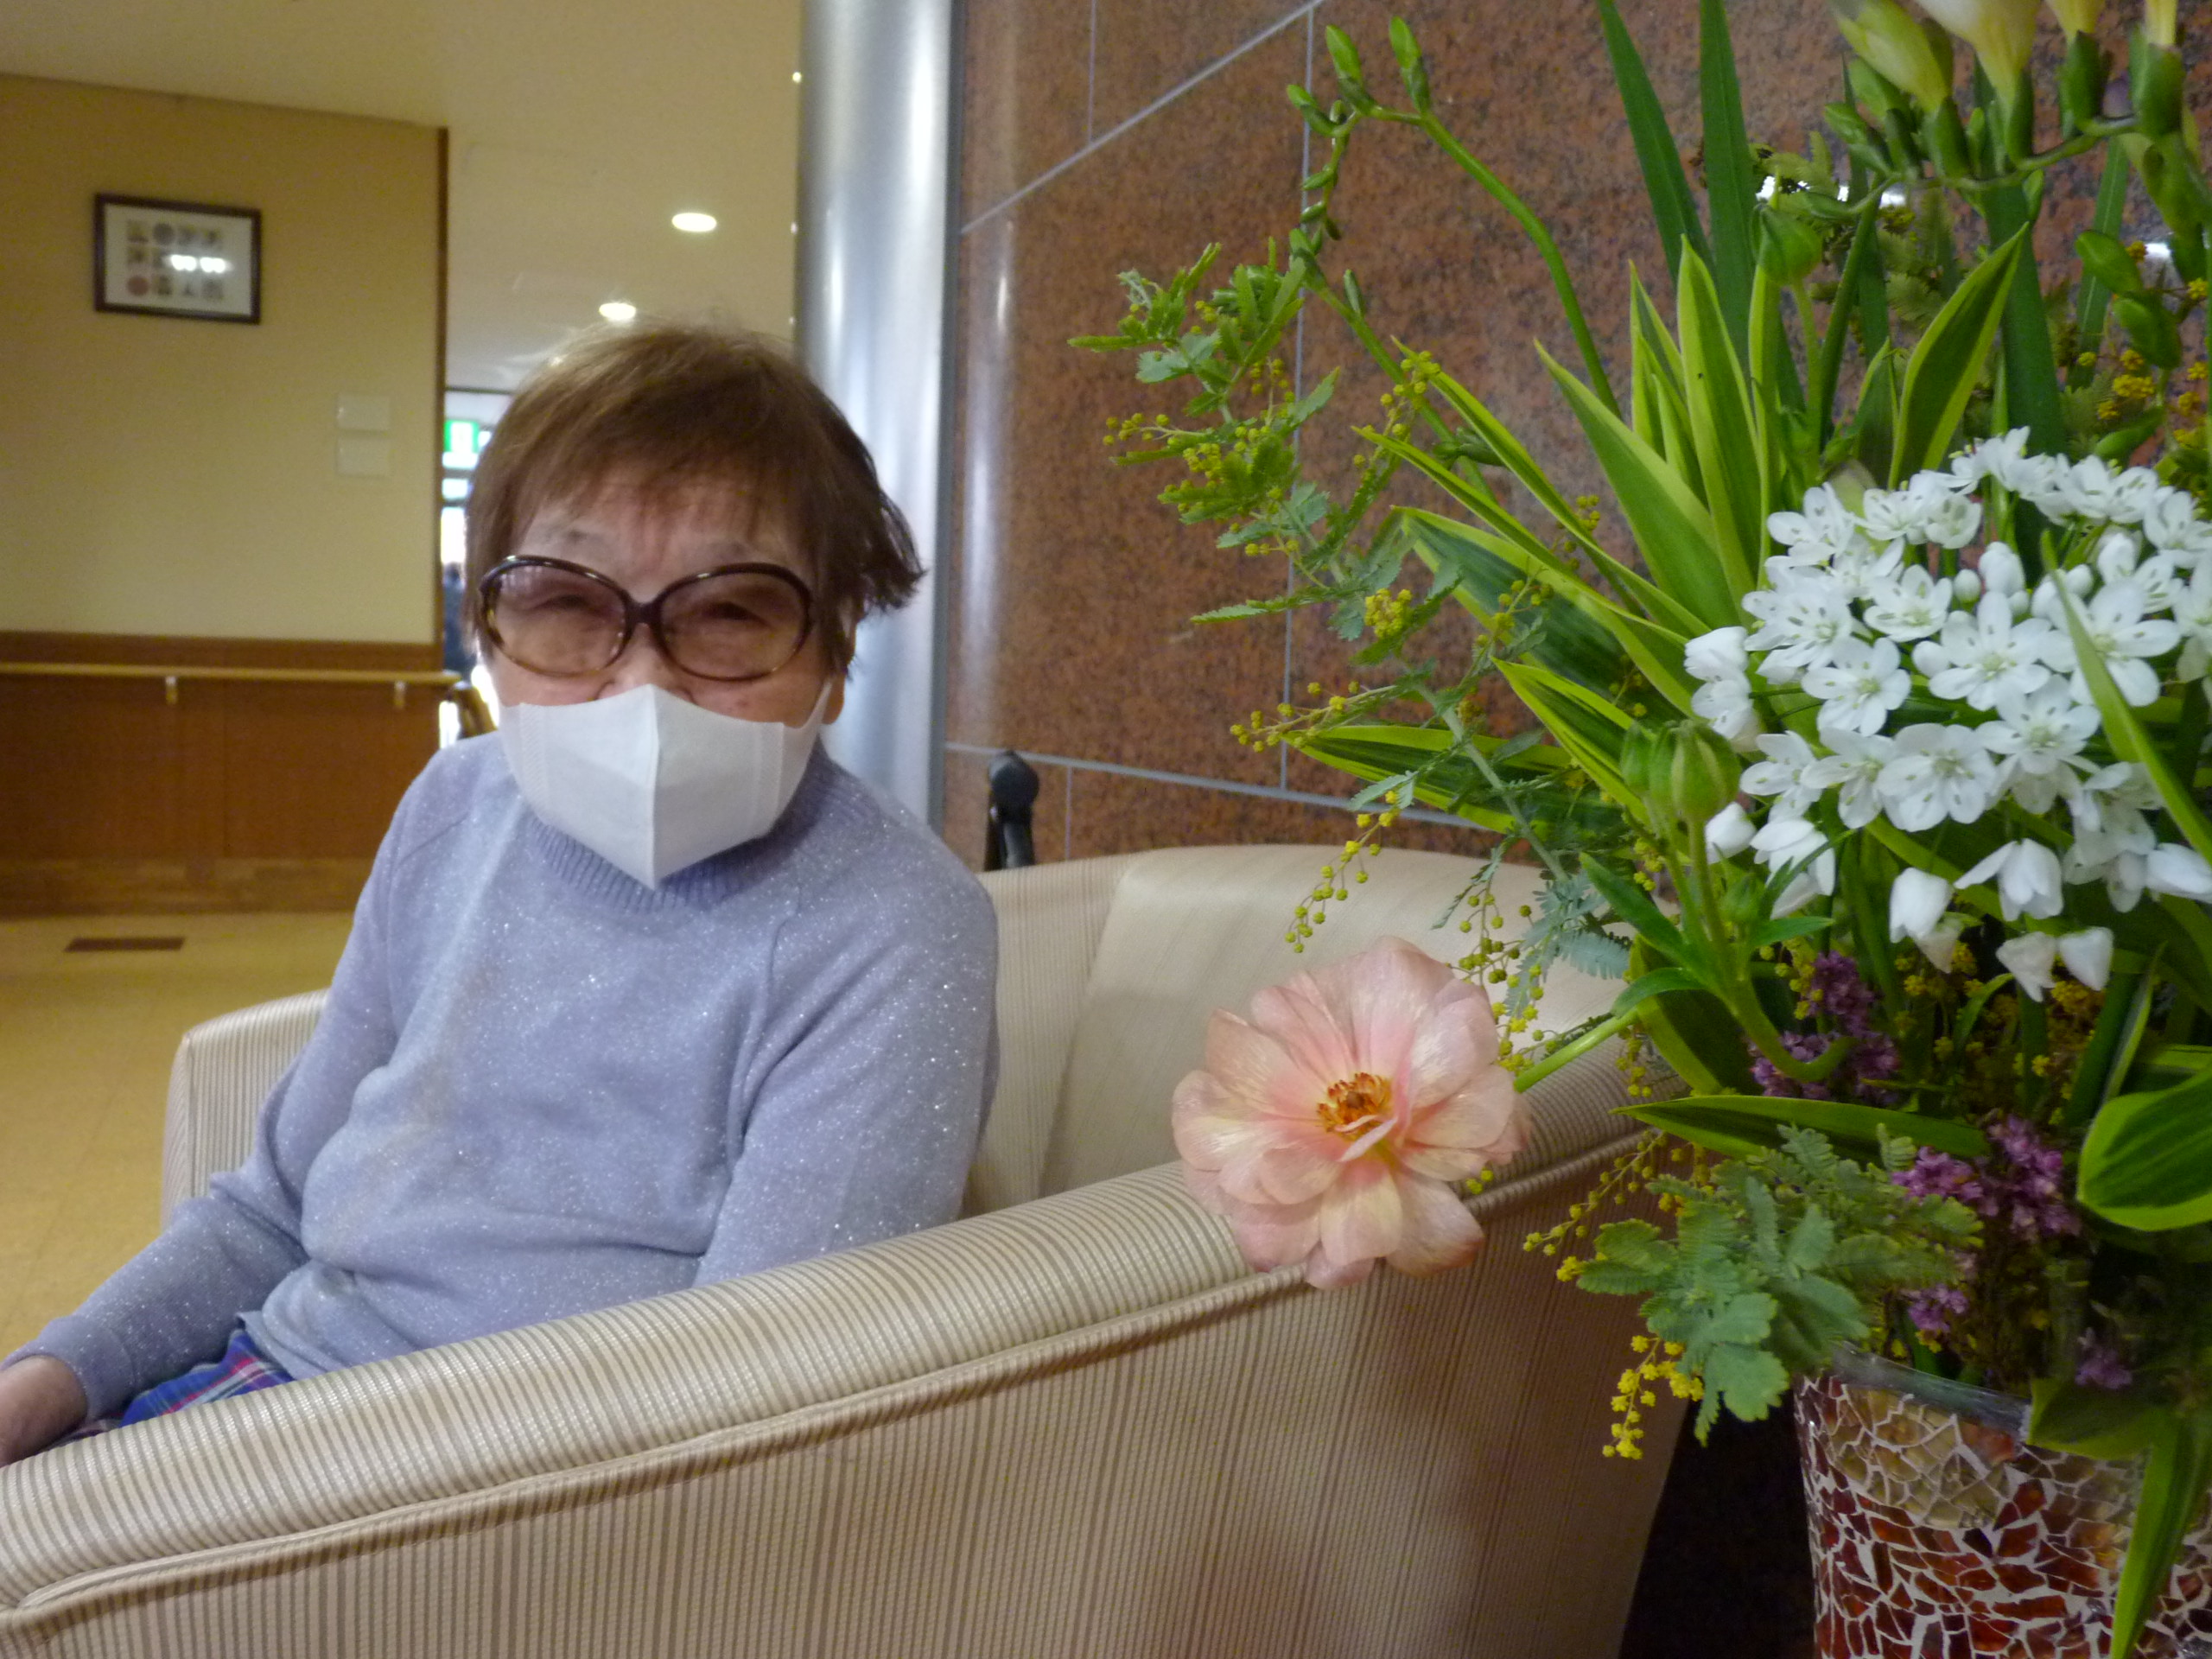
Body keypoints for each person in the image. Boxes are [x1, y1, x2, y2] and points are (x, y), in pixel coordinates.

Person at [0, 323, 998, 1462]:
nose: (640, 682)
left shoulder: (891, 925)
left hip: (511, 1493)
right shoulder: (454, 807)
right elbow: (272, 1207)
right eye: (567, 602)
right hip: (264, 1384)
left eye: (731, 611)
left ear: (837, 648)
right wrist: (53, 1374)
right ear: (488, 629)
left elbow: (753, 1401)